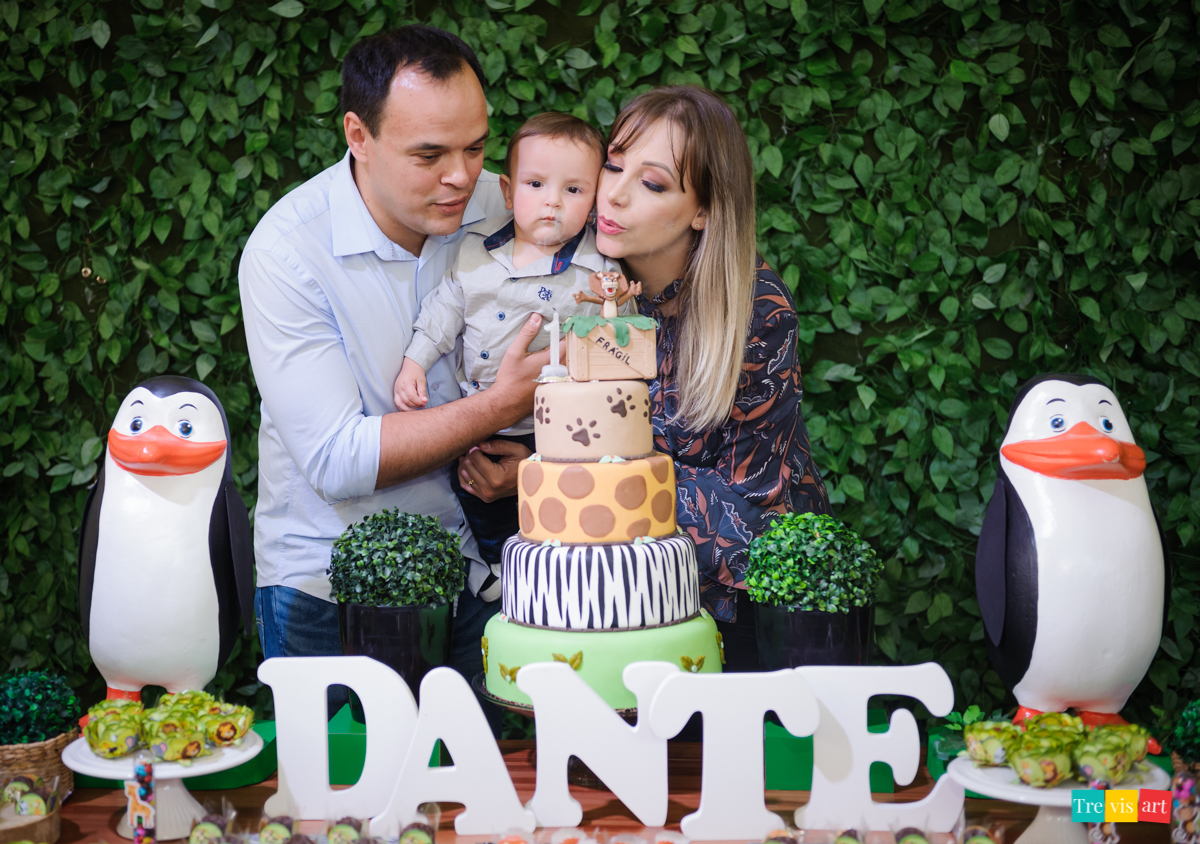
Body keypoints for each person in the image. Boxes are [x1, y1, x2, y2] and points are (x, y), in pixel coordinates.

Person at [238, 25, 546, 722]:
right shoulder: (287, 253)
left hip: (478, 572)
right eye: (429, 155)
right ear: (359, 135)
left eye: (476, 147)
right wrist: (497, 407)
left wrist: (528, 462)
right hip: (325, 592)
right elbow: (336, 458)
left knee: (491, 782)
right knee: (346, 786)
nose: (461, 176)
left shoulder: (502, 207)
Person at [594, 85, 831, 672]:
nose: (614, 195)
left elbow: (751, 511)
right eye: (613, 166)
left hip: (745, 614)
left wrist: (588, 482)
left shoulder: (756, 310)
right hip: (617, 601)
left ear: (703, 210)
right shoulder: (574, 284)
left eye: (652, 183)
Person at [393, 113, 621, 571]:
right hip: (477, 419)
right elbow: (445, 308)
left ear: (595, 199)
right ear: (508, 190)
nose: (552, 202)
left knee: (558, 518)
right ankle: (497, 567)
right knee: (478, 499)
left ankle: (550, 573)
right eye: (535, 185)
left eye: (573, 190)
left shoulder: (598, 272)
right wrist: (415, 361)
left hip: (558, 428)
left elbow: (618, 349)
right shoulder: (475, 249)